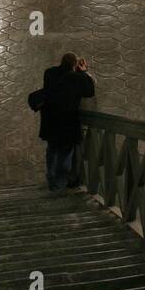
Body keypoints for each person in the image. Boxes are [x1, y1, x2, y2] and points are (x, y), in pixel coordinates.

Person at [33, 52, 96, 192]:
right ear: (75, 64)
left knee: (52, 148)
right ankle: (60, 183)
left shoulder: (49, 72)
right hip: (68, 121)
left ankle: (51, 177)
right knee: (65, 152)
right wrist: (84, 72)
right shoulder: (76, 78)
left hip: (50, 120)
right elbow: (90, 92)